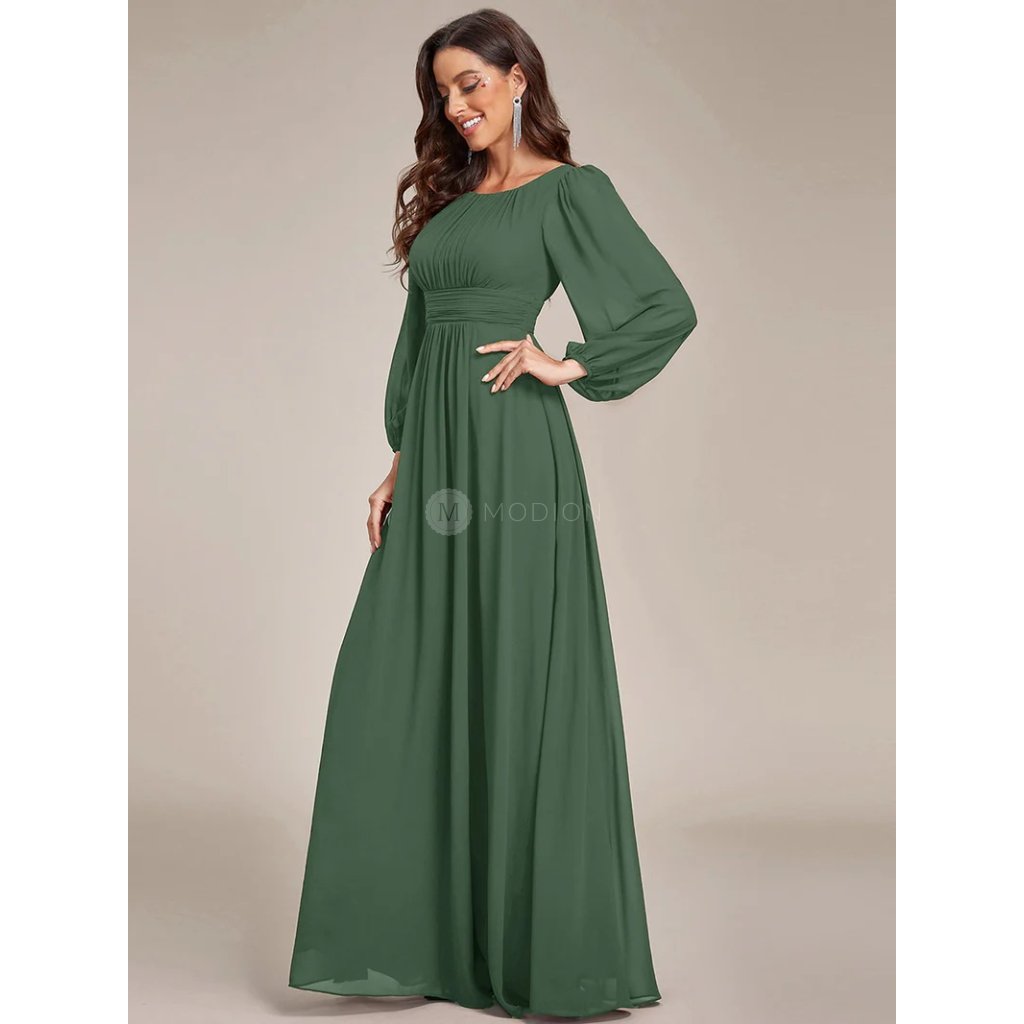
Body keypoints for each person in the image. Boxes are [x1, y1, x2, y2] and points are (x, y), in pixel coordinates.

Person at [289, 9, 698, 1019]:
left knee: (516, 669)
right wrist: (401, 459)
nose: (456, 105)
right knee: (407, 673)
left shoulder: (571, 191)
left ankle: (534, 950)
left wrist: (569, 362)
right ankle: (428, 933)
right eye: (442, 91)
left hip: (515, 451)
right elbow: (419, 338)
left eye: (471, 82)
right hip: (437, 459)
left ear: (519, 78)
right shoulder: (450, 204)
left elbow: (664, 305)